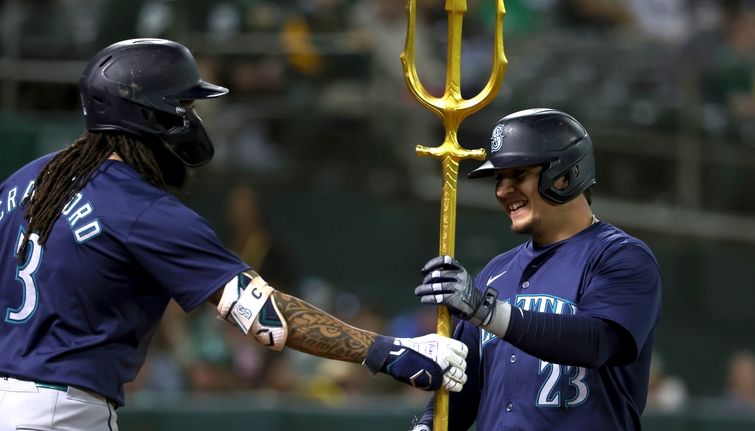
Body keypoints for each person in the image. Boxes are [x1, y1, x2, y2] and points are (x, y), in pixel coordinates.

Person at [0, 38, 468, 431]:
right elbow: (267, 317)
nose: (192, 119)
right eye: (183, 105)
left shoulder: (23, 182)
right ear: (151, 116)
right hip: (60, 413)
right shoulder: (144, 210)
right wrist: (387, 350)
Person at [410, 108, 662, 430]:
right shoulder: (495, 272)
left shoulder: (620, 256)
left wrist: (486, 311)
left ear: (565, 175)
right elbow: (463, 385)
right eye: (499, 179)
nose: (502, 191)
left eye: (518, 175)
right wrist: (427, 426)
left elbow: (597, 342)